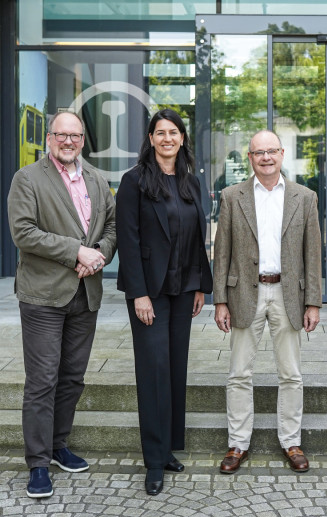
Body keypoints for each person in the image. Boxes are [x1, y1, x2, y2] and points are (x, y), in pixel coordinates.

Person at [7, 110, 116, 499]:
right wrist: (77, 252)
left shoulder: (96, 179)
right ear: (49, 138)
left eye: (75, 136)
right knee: (42, 381)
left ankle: (57, 446)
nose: (68, 141)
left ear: (83, 140)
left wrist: (100, 252)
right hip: (43, 296)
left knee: (72, 378)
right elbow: (23, 232)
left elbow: (112, 226)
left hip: (85, 295)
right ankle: (37, 463)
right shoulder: (28, 179)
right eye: (61, 135)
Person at [115, 109, 213, 497]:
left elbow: (196, 238)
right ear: (151, 139)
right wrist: (139, 293)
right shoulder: (134, 181)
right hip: (149, 293)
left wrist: (201, 285)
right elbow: (129, 241)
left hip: (184, 288)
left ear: (183, 138)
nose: (168, 138)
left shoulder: (191, 182)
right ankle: (154, 461)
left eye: (174, 132)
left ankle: (169, 448)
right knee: (154, 372)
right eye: (160, 133)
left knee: (174, 369)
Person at [213, 130, 322, 474]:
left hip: (288, 294)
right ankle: (238, 443)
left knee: (290, 374)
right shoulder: (232, 196)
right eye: (258, 152)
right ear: (249, 157)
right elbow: (222, 252)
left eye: (271, 151)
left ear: (282, 153)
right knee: (239, 373)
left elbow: (312, 253)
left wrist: (313, 302)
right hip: (245, 292)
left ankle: (291, 441)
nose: (265, 158)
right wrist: (220, 301)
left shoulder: (305, 197)